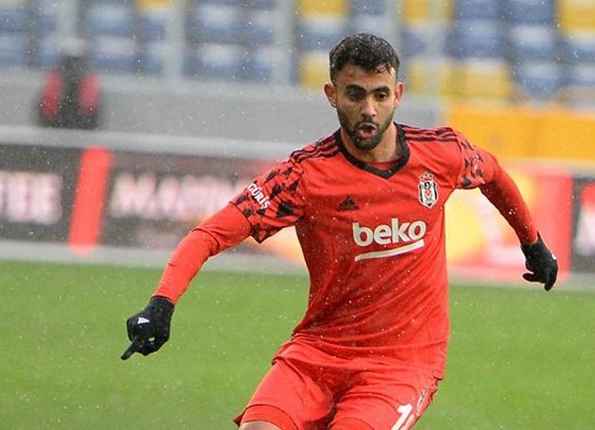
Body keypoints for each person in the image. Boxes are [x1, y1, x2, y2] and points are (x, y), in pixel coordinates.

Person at [121, 33, 558, 430]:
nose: (369, 109)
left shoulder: (441, 154)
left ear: (398, 95)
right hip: (316, 353)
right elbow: (209, 234)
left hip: (401, 365)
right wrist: (162, 303)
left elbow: (493, 174)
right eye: (355, 94)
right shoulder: (304, 176)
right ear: (332, 95)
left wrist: (532, 243)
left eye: (380, 95)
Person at [35, 40, 101, 130]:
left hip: (58, 123)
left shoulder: (87, 78)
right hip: (73, 124)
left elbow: (90, 106)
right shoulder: (87, 76)